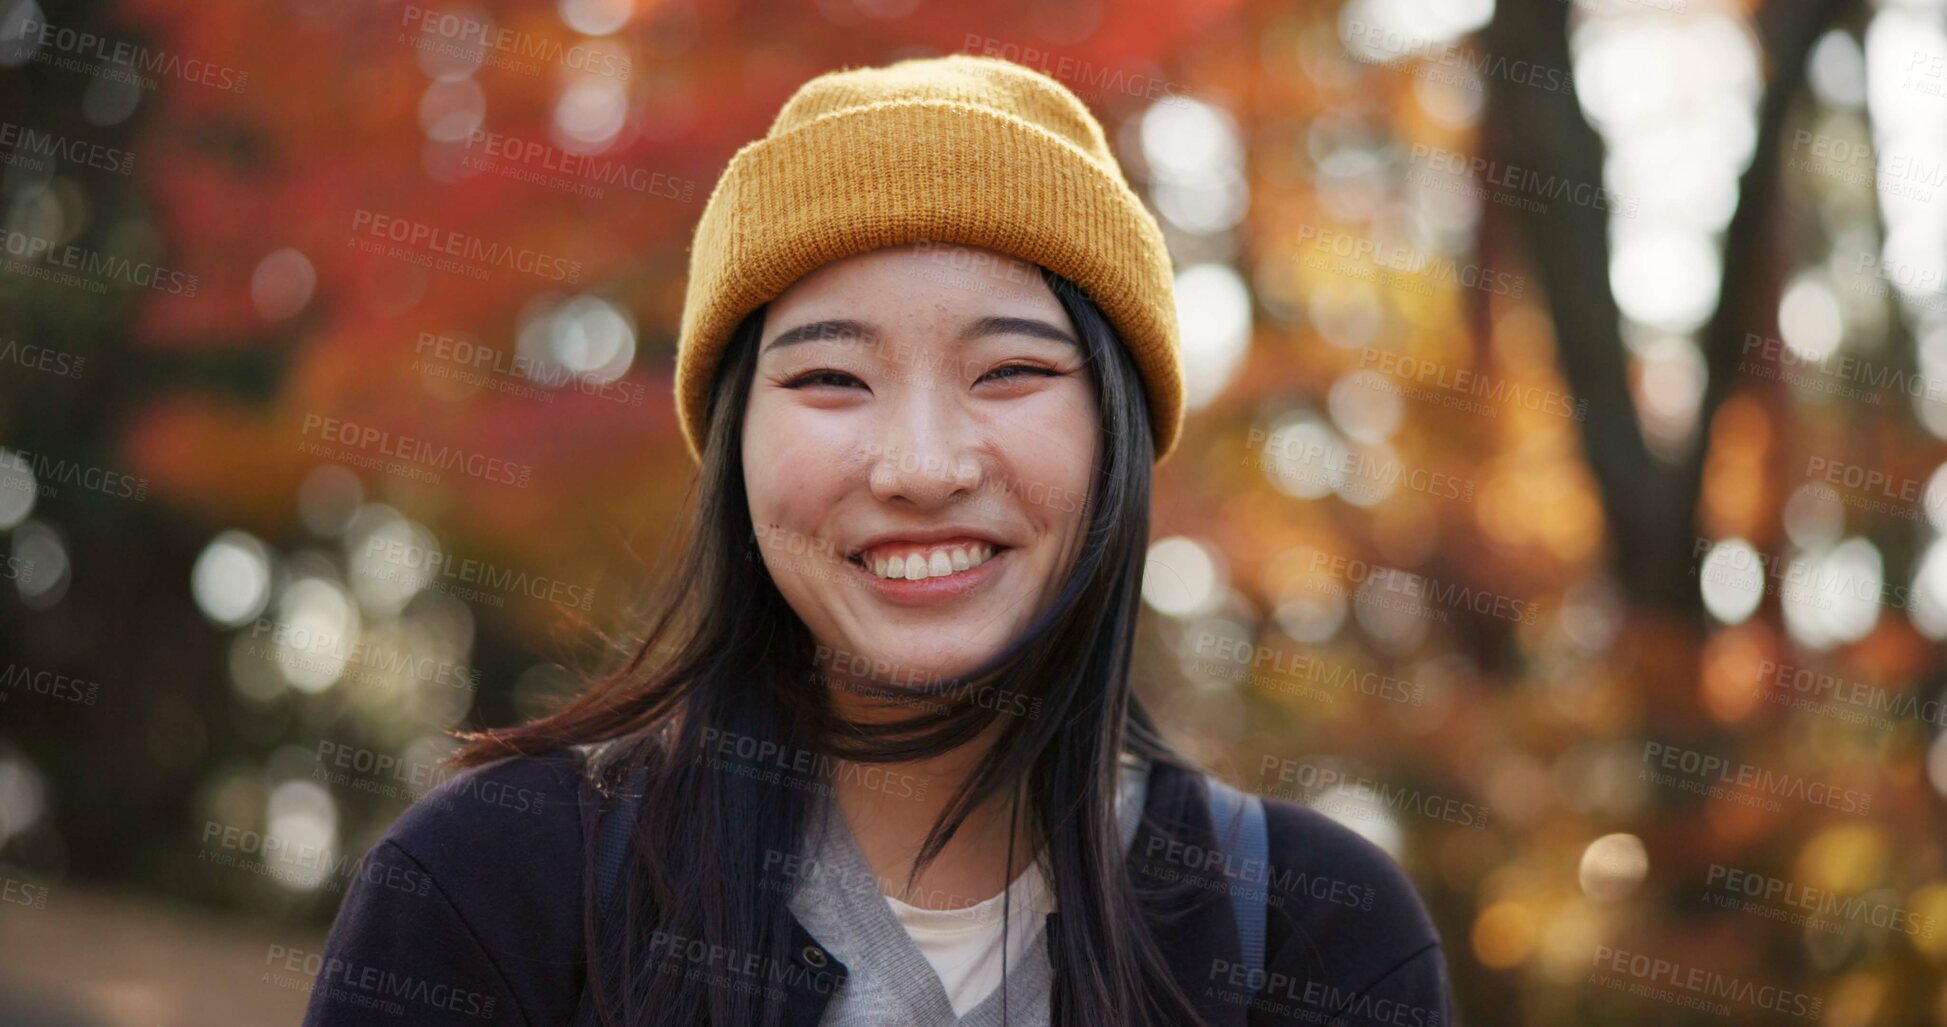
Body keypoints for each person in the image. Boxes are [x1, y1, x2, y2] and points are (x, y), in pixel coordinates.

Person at [304, 53, 1456, 1027]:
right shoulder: (492, 885)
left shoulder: (1315, 931)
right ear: (735, 440)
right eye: (830, 377)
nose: (920, 466)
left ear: (1119, 425)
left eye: (1010, 370)